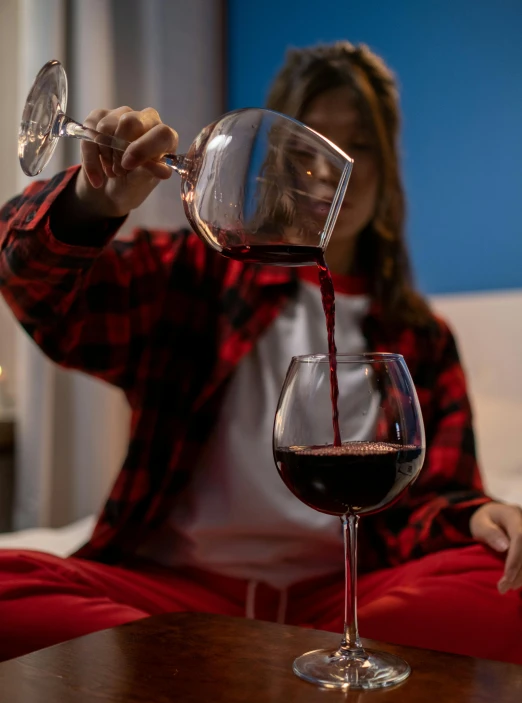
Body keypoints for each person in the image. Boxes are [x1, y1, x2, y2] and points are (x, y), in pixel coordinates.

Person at [0, 42, 521, 665]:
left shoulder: (423, 339)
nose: (333, 172)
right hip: (170, 595)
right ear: (272, 161)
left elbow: (434, 499)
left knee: (502, 583)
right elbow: (32, 282)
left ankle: (203, 673)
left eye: (363, 147)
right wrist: (93, 200)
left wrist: (479, 515)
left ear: (389, 168)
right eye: (309, 150)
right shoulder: (194, 278)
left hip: (347, 600)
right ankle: (255, 671)